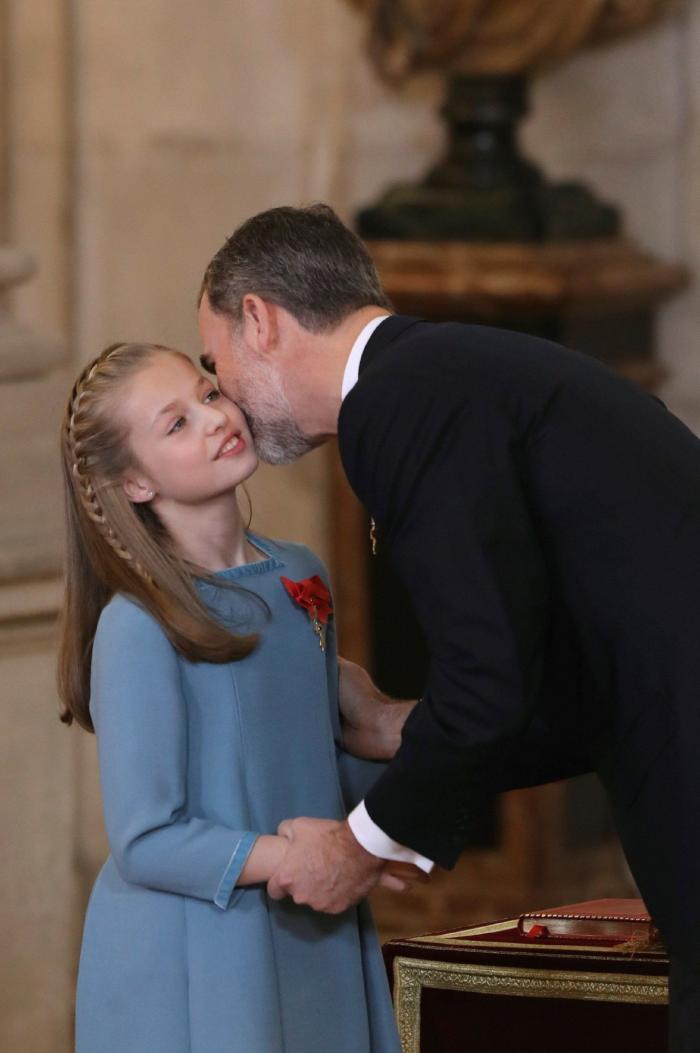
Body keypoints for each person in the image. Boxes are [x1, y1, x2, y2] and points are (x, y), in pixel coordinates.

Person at [198, 202, 700, 1052]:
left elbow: (490, 677)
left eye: (216, 367)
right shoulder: (441, 371)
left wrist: (355, 848)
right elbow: (576, 671)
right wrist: (403, 725)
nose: (226, 403)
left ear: (260, 320)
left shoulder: (397, 403)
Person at [57, 341, 406, 1052]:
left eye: (207, 393)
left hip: (310, 919)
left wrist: (419, 749)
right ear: (135, 484)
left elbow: (313, 771)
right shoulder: (139, 623)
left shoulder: (298, 576)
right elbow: (147, 837)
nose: (214, 417)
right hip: (198, 948)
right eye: (176, 423)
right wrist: (291, 858)